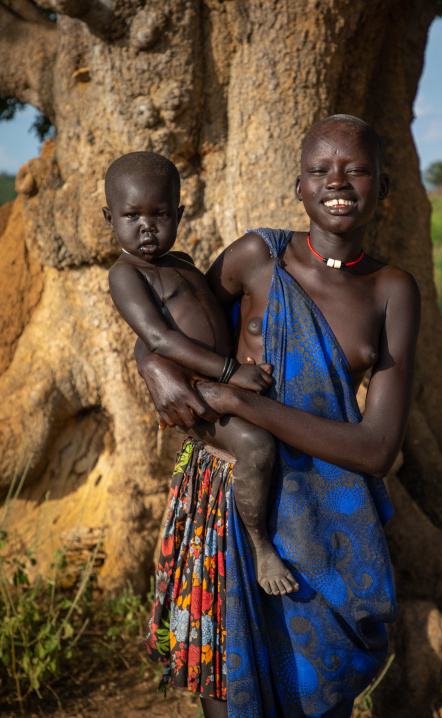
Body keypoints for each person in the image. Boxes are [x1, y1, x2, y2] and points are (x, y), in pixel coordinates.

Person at [139, 115, 421, 718]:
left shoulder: (392, 290)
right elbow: (164, 324)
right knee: (231, 689)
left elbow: (377, 449)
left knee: (320, 692)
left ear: (384, 186)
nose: (337, 182)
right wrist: (153, 369)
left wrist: (244, 401)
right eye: (320, 170)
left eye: (356, 169)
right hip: (233, 502)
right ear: (298, 188)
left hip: (329, 519)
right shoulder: (258, 257)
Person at [103, 151, 300, 597]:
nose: (147, 226)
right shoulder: (126, 276)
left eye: (161, 214)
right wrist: (230, 371)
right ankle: (260, 545)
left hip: (221, 378)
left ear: (180, 214)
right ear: (109, 217)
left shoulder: (182, 262)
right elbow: (159, 339)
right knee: (257, 443)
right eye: (131, 215)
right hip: (195, 391)